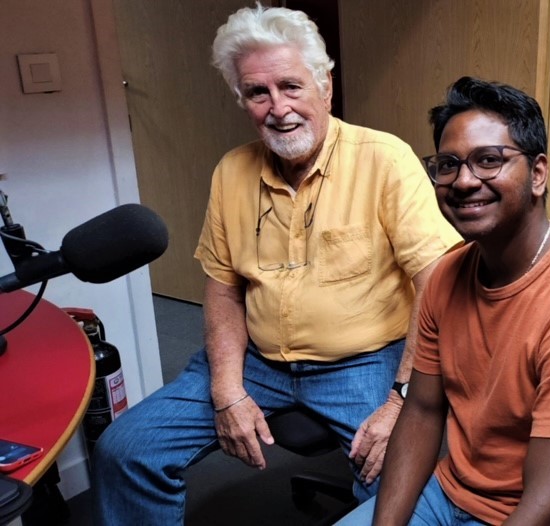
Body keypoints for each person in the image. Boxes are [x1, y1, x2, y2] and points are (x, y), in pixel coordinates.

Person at [90, 4, 462, 525]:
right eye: (258, 93)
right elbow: (223, 288)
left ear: (325, 87)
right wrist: (227, 390)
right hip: (258, 361)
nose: (278, 108)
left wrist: (401, 401)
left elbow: (437, 283)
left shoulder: (385, 160)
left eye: (291, 86)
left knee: (404, 489)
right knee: (125, 450)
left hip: (362, 362)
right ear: (242, 100)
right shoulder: (231, 172)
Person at [336, 76, 550, 525]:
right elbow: (421, 412)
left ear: (538, 174)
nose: (463, 181)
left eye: (488, 160)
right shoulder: (445, 276)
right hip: (453, 493)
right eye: (448, 164)